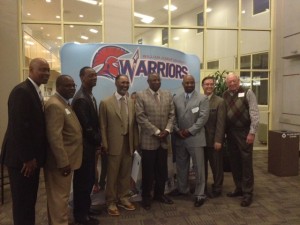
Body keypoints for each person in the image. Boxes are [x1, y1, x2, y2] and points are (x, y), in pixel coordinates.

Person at [0, 58, 50, 225]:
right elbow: (19, 127)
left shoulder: (34, 90)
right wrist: (28, 158)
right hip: (22, 161)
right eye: (42, 69)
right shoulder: (22, 91)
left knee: (29, 202)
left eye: (48, 70)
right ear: (31, 70)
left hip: (30, 159)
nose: (46, 73)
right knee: (23, 204)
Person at [44, 75, 82, 225]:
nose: (72, 88)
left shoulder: (64, 103)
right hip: (59, 163)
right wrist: (63, 162)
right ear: (58, 87)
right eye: (68, 86)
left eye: (73, 85)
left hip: (67, 159)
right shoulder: (55, 105)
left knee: (58, 199)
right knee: (60, 199)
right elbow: (54, 137)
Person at [99, 74, 138, 216]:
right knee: (112, 175)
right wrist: (105, 143)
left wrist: (135, 144)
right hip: (113, 145)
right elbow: (102, 126)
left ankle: (123, 197)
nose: (125, 85)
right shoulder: (105, 102)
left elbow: (134, 125)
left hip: (128, 144)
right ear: (116, 83)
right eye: (122, 82)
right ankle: (110, 201)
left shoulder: (132, 102)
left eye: (127, 82)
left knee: (125, 174)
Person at [135, 72, 175, 210]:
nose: (156, 81)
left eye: (158, 79)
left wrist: (168, 130)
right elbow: (141, 118)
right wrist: (157, 132)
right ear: (148, 81)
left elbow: (172, 115)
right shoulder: (141, 95)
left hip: (164, 140)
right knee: (148, 172)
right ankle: (146, 197)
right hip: (149, 140)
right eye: (153, 80)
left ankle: (159, 194)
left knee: (162, 170)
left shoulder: (167, 94)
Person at [171, 74, 209, 207]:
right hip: (180, 138)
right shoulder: (176, 98)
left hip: (195, 138)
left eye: (192, 83)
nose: (189, 85)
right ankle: (182, 189)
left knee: (199, 167)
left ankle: (199, 194)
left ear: (194, 83)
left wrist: (189, 131)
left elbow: (203, 119)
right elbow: (173, 117)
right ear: (183, 84)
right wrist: (177, 130)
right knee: (181, 166)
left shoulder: (202, 98)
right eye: (187, 83)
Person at [223, 72, 259, 207]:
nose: (232, 83)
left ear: (238, 81)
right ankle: (238, 188)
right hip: (230, 133)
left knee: (246, 163)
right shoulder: (225, 95)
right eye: (229, 81)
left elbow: (254, 113)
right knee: (234, 162)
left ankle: (248, 193)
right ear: (227, 83)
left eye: (234, 81)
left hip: (244, 132)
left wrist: (252, 132)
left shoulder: (248, 92)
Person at [72, 66, 101, 225]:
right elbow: (87, 127)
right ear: (82, 77)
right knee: (83, 183)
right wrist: (99, 140)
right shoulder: (82, 98)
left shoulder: (89, 94)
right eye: (91, 75)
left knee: (88, 181)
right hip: (84, 149)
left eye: (95, 75)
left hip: (89, 148)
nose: (95, 77)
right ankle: (81, 215)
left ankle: (86, 209)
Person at [202, 76, 226, 198]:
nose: (209, 86)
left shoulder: (219, 101)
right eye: (207, 84)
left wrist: (218, 140)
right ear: (203, 86)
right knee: (202, 167)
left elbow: (221, 124)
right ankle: (203, 187)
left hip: (213, 141)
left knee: (216, 166)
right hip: (201, 141)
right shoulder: (199, 100)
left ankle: (217, 188)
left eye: (211, 84)